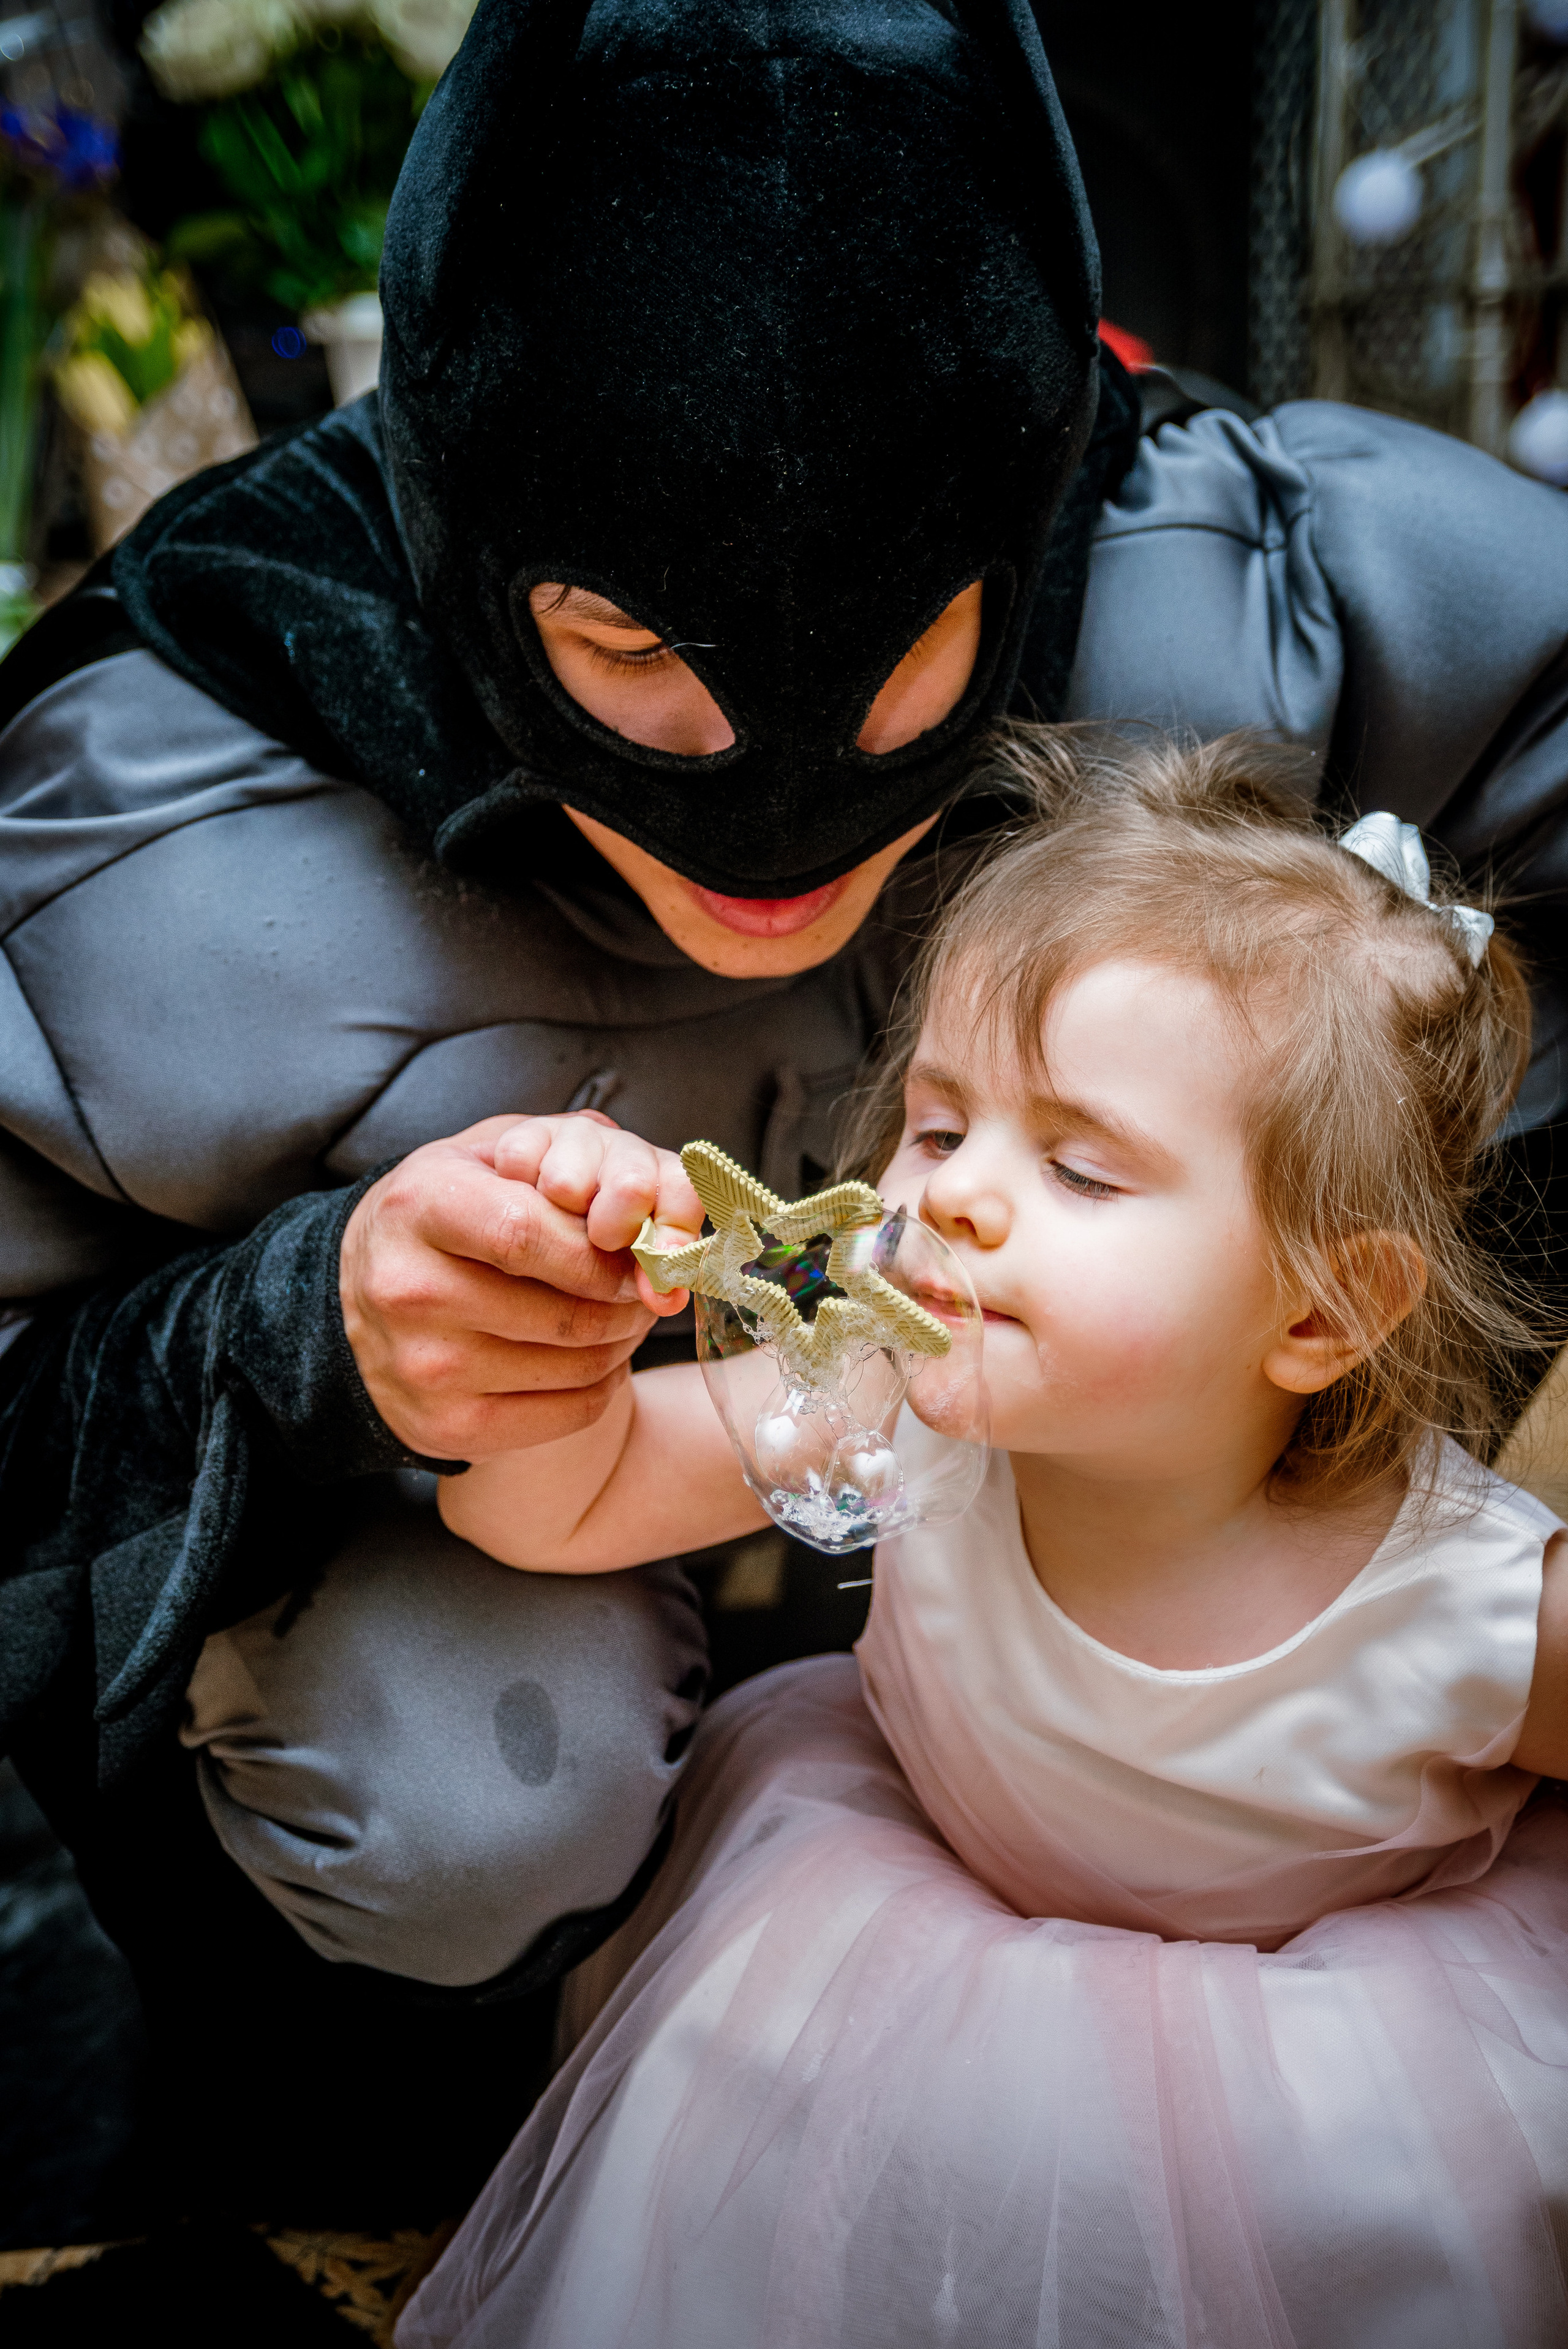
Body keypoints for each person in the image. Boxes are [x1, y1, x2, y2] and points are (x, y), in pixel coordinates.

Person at [2, 0, 1568, 2210]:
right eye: (632, 654)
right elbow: (538, 1491)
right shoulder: (141, 802)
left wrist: (1370, 1386)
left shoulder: (1267, 593)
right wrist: (326, 1327)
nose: (770, 819)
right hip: (776, 1872)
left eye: (912, 644)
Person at [395, 732, 1568, 2347]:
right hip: (901, 1962)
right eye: (939, 1128)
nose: (955, 1200)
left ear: (1323, 1304)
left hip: (1322, 2096)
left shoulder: (1476, 1604)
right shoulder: (890, 1397)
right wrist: (565, 1329)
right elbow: (558, 1505)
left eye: (1081, 1166)